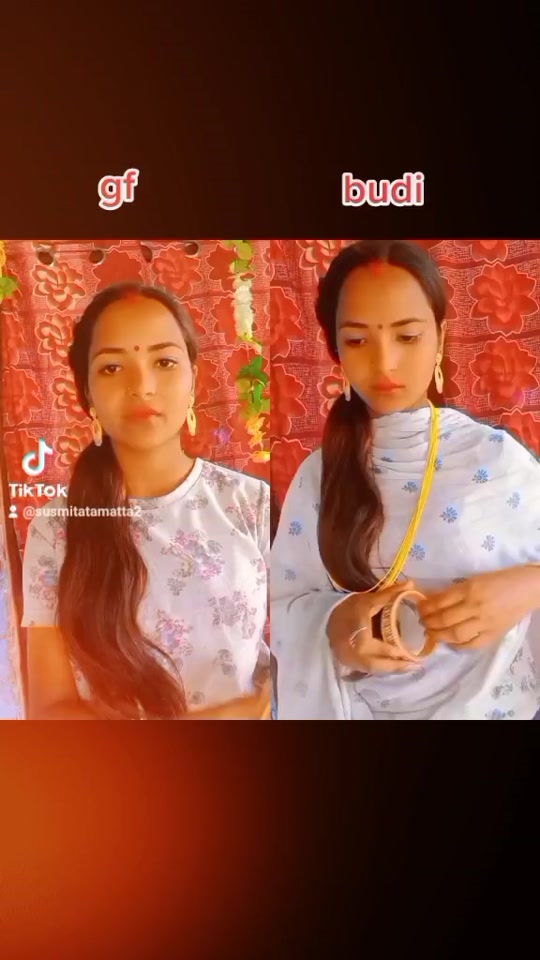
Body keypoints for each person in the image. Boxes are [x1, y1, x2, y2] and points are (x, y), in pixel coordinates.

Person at [271, 240, 540, 720]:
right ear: (335, 351)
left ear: (440, 336)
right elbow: (283, 604)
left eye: (408, 336)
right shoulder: (320, 475)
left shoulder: (497, 460)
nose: (385, 363)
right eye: (358, 340)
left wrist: (527, 586)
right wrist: (337, 626)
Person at [21, 282, 270, 720]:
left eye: (164, 362)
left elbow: (306, 651)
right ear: (87, 393)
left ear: (193, 380)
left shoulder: (251, 504)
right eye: (112, 368)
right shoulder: (57, 528)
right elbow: (51, 710)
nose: (142, 386)